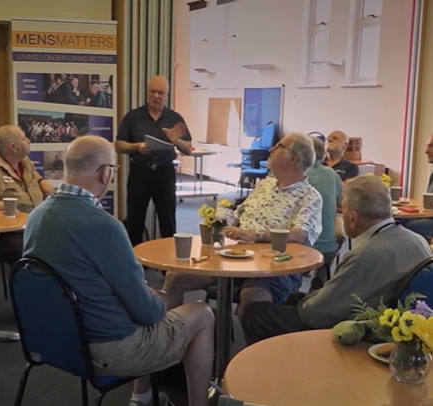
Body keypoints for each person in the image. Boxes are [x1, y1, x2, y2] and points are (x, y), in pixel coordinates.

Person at [24, 136, 214, 406]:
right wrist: (158, 299)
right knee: (201, 312)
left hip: (53, 341)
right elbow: (146, 312)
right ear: (104, 173)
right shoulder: (104, 226)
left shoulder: (37, 216)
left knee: (142, 304)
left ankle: (142, 395)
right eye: (112, 170)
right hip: (107, 349)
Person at [241, 175, 432, 345]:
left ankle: (275, 371)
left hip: (357, 331)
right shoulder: (417, 240)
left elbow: (316, 314)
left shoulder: (363, 255)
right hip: (395, 323)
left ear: (352, 219)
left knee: (255, 313)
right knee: (295, 298)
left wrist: (309, 300)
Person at [163, 133, 322, 318]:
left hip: (275, 268)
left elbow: (300, 234)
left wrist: (256, 235)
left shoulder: (310, 197)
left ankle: (255, 345)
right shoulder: (265, 185)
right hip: (236, 257)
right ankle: (167, 339)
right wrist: (219, 219)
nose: (271, 149)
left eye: (279, 147)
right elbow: (238, 215)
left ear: (294, 158)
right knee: (175, 277)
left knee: (251, 299)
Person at [116, 76, 193, 247]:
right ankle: (135, 268)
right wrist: (137, 147)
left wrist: (175, 140)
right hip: (139, 173)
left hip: (165, 174)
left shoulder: (174, 118)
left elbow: (188, 149)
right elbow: (119, 145)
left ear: (166, 95)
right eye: (153, 91)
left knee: (168, 222)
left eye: (161, 93)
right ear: (147, 92)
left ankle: (169, 270)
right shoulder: (133, 117)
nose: (156, 96)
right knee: (135, 222)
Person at [0, 125, 55, 264]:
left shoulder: (25, 162)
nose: (28, 140)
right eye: (24, 138)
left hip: (35, 226)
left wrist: (42, 181)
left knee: (67, 243)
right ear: (13, 147)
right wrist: (6, 206)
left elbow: (32, 175)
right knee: (32, 253)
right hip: (8, 234)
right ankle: (28, 284)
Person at [307, 137, 343, 291]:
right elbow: (341, 202)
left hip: (297, 245)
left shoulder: (294, 173)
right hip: (328, 245)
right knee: (337, 237)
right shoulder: (332, 174)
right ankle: (318, 282)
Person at [401, 133, 433, 239]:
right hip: (428, 217)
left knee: (401, 228)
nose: (426, 151)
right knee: (394, 222)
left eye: (431, 146)